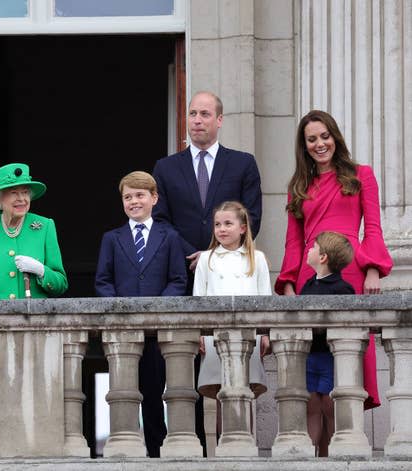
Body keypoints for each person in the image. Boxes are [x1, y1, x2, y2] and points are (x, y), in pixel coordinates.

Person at [152, 91, 263, 452]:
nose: (197, 120)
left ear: (220, 119)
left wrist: (215, 252)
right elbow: (162, 222)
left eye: (204, 114)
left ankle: (236, 443)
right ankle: (194, 446)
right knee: (189, 369)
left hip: (230, 277)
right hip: (185, 278)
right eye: (192, 113)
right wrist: (196, 256)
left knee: (235, 373)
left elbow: (253, 216)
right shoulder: (166, 168)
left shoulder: (242, 163)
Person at [275, 110, 394, 409]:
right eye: (311, 139)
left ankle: (347, 442)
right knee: (314, 372)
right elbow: (293, 241)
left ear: (335, 138)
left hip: (350, 270)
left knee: (348, 361)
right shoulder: (298, 187)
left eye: (324, 137)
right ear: (304, 146)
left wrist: (373, 270)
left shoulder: (361, 174)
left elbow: (374, 228)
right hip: (310, 274)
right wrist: (288, 282)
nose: (319, 144)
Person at [0, 163, 67, 441]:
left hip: (33, 339)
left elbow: (61, 283)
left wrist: (42, 271)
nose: (22, 199)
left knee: (33, 416)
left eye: (25, 192)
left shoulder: (43, 227)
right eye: (13, 193)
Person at [95, 171, 187, 457]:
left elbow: (178, 280)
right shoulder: (112, 238)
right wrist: (120, 310)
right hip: (123, 333)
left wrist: (156, 309)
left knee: (155, 393)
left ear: (154, 198)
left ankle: (157, 454)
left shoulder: (169, 237)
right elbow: (103, 280)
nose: (134, 201)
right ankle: (125, 451)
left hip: (156, 332)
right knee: (123, 394)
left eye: (139, 195)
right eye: (128, 197)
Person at [193, 201, 270, 439]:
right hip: (216, 336)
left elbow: (266, 298)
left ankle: (244, 448)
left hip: (249, 336)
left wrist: (265, 332)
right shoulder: (206, 259)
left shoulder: (257, 258)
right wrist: (199, 332)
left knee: (243, 393)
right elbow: (199, 298)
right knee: (220, 395)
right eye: (217, 224)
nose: (222, 229)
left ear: (243, 227)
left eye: (228, 223)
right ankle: (225, 451)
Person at [300, 231, 355, 457]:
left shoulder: (343, 289)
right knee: (311, 407)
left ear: (322, 257)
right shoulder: (308, 285)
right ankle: (311, 457)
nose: (309, 250)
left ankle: (334, 457)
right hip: (310, 356)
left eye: (313, 247)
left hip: (331, 357)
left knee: (331, 409)